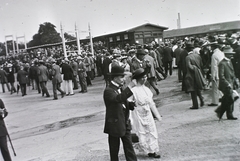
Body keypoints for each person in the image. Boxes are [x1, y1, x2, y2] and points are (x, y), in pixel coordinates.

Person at [103, 65, 137, 161]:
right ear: (115, 78)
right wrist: (129, 87)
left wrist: (130, 104)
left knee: (129, 147)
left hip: (124, 122)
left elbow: (122, 101)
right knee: (114, 149)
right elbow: (117, 99)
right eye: (121, 77)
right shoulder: (108, 90)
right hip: (114, 124)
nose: (123, 79)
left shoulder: (120, 88)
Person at [128, 68, 162, 158]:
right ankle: (146, 150)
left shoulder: (147, 90)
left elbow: (151, 103)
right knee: (142, 132)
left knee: (151, 130)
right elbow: (129, 102)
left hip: (147, 113)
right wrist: (130, 118)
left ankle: (153, 150)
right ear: (138, 78)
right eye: (142, 77)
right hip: (138, 113)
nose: (144, 79)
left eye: (145, 77)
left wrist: (157, 115)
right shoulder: (133, 90)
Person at [215, 46, 238, 120]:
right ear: (226, 54)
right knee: (230, 98)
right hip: (226, 85)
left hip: (231, 83)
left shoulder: (229, 61)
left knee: (227, 99)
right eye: (230, 54)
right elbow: (221, 76)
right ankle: (225, 112)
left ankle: (225, 113)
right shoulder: (222, 63)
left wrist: (235, 81)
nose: (231, 55)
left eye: (232, 54)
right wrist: (227, 84)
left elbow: (232, 72)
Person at [185, 42, 205, 109]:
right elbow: (202, 65)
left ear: (187, 50)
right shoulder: (198, 56)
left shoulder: (187, 57)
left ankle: (195, 105)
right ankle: (201, 99)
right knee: (198, 88)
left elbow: (189, 67)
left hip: (191, 75)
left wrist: (194, 68)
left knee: (192, 90)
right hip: (199, 74)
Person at [208, 37, 224, 106]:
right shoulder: (221, 53)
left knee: (215, 88)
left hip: (216, 73)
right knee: (220, 86)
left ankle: (215, 102)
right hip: (222, 72)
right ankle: (221, 98)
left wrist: (213, 76)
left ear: (213, 47)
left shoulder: (214, 55)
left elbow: (214, 66)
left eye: (211, 46)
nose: (210, 48)